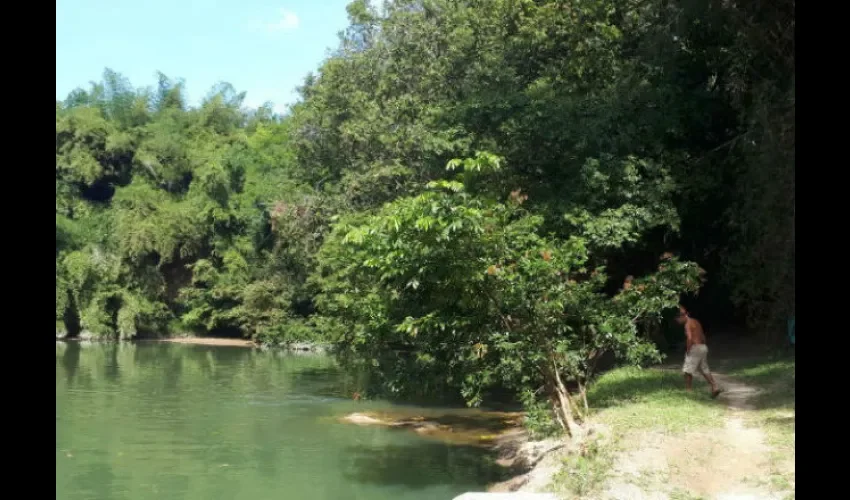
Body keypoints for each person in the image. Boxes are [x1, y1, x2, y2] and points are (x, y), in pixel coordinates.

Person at [676, 305, 722, 398]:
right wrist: (703, 345)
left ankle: (688, 391)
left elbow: (689, 338)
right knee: (704, 368)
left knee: (687, 371)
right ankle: (714, 386)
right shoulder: (696, 321)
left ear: (682, 316)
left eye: (677, 319)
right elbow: (702, 335)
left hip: (695, 347)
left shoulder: (687, 324)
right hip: (703, 347)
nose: (677, 322)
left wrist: (688, 349)